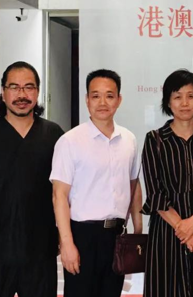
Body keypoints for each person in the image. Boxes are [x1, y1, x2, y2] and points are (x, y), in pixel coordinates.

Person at [0, 61, 64, 297]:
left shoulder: (54, 135)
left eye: (29, 87)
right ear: (3, 92)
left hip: (40, 250)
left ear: (37, 91)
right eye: (14, 87)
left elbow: (62, 191)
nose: (21, 95)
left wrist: (64, 234)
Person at [50, 69, 142, 297]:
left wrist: (137, 230)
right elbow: (59, 195)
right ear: (87, 99)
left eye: (109, 96)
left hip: (117, 236)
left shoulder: (129, 139)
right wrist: (67, 243)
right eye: (96, 96)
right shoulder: (70, 141)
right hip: (82, 236)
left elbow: (133, 184)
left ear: (119, 100)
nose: (102, 102)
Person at [141, 69, 193, 297]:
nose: (185, 103)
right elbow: (155, 194)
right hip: (167, 229)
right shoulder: (154, 140)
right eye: (177, 97)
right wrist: (185, 231)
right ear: (168, 102)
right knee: (166, 289)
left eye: (191, 96)